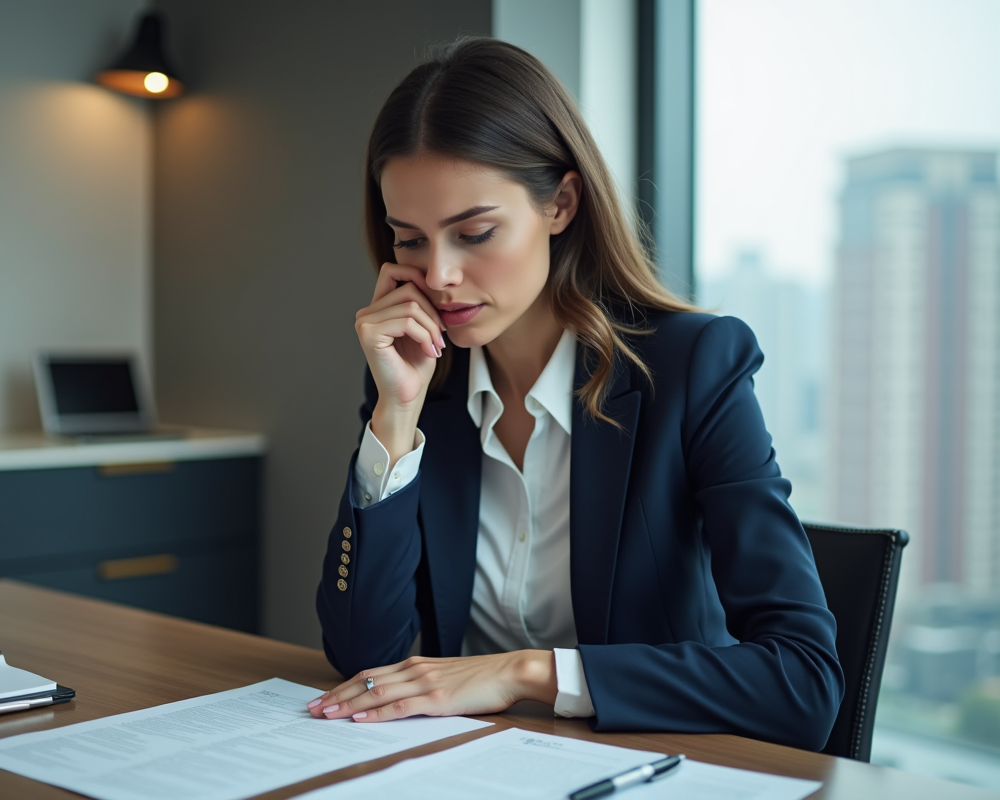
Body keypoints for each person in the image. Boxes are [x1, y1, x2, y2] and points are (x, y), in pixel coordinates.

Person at [310, 37, 843, 751]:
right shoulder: (419, 380)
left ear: (561, 203)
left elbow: (804, 682)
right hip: (456, 767)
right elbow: (360, 654)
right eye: (410, 240)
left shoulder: (691, 370)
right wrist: (394, 419)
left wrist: (529, 673)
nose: (438, 275)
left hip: (644, 765)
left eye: (475, 233)